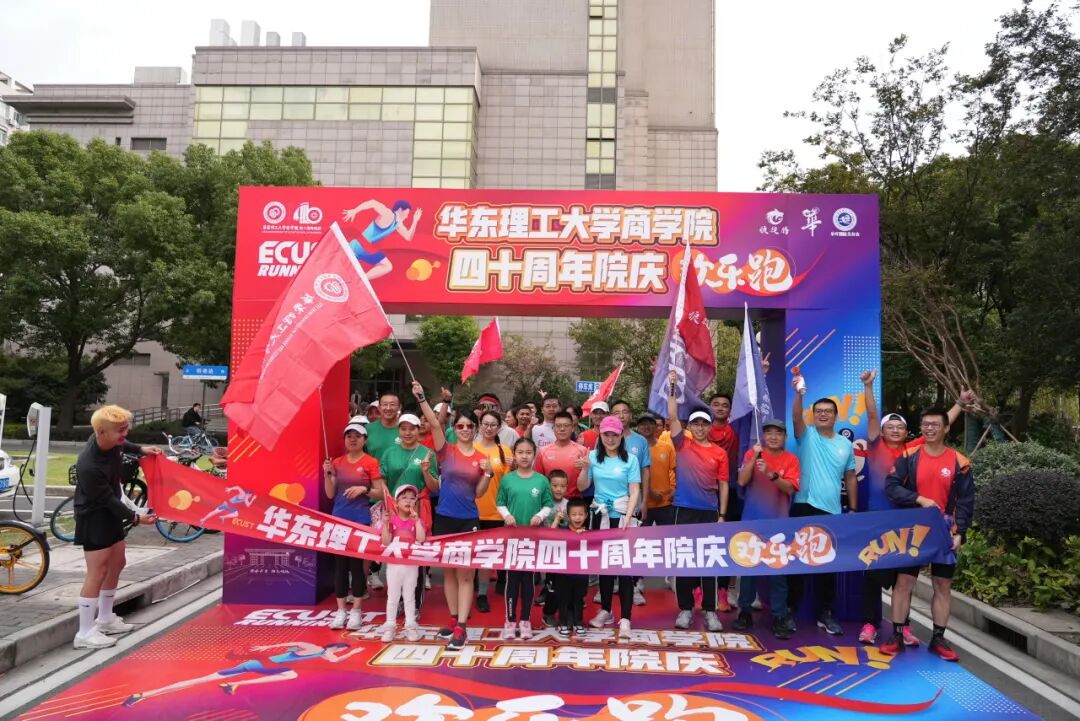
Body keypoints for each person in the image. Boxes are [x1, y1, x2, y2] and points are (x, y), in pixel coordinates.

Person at [857, 371, 973, 644]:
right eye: (890, 426)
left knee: (904, 578)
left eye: (900, 427)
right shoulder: (875, 445)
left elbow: (940, 425)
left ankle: (904, 627)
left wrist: (959, 403)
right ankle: (870, 624)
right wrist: (868, 386)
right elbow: (872, 415)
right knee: (874, 573)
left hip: (907, 520)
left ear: (907, 432)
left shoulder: (912, 450)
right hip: (879, 519)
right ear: (882, 431)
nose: (895, 430)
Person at [878, 408, 974, 662]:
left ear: (946, 428)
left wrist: (960, 533)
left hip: (945, 532)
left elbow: (966, 501)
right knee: (903, 583)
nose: (929, 428)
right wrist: (918, 499)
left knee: (942, 585)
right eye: (925, 424)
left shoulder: (960, 462)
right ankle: (896, 635)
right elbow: (891, 487)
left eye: (935, 424)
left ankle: (938, 639)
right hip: (914, 531)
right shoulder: (909, 455)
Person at [72, 405, 162, 649]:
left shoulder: (111, 441)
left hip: (110, 513)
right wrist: (136, 518)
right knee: (97, 571)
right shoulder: (89, 465)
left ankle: (105, 618)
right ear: (101, 432)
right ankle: (84, 632)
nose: (125, 434)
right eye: (120, 430)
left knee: (117, 562)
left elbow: (124, 444)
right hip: (93, 517)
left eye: (126, 428)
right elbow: (107, 500)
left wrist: (141, 449)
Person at [414, 381, 491, 650]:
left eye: (470, 426)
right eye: (460, 426)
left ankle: (462, 626)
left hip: (468, 520)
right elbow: (435, 425)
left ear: (476, 429)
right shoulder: (446, 451)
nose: (465, 429)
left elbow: (479, 493)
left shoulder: (481, 457)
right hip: (444, 517)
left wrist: (488, 473)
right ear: (454, 429)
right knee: (448, 573)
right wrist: (422, 398)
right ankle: (453, 618)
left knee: (466, 575)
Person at [788, 371, 857, 636]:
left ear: (836, 416)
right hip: (802, 506)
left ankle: (825, 613)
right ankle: (790, 611)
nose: (823, 414)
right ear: (814, 415)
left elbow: (850, 477)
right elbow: (796, 417)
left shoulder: (845, 445)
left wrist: (852, 508)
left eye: (828, 411)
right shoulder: (806, 435)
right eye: (819, 411)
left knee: (827, 567)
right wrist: (799, 394)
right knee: (796, 563)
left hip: (832, 511)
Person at [666, 372, 728, 632]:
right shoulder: (682, 445)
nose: (700, 428)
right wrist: (672, 387)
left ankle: (711, 611)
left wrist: (722, 514)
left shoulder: (719, 453)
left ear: (710, 427)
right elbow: (672, 416)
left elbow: (723, 484)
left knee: (709, 562)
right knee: (684, 561)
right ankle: (685, 609)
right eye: (696, 424)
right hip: (684, 510)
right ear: (689, 427)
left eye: (704, 424)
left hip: (709, 512)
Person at [123, 641, 363, 706]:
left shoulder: (322, 654)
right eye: (340, 649)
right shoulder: (316, 649)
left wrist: (352, 652)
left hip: (259, 664)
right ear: (334, 647)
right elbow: (294, 643)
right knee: (291, 674)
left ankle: (143, 694)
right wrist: (267, 648)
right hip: (267, 665)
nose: (338, 653)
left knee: (204, 679)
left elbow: (335, 658)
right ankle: (236, 685)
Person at [732, 419, 800, 639]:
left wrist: (771, 473)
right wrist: (754, 457)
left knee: (778, 574)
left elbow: (790, 488)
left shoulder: (791, 459)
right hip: (752, 523)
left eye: (778, 433)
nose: (773, 437)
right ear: (763, 436)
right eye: (769, 432)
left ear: (785, 437)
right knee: (748, 571)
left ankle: (779, 616)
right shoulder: (752, 454)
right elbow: (742, 481)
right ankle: (745, 611)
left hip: (779, 525)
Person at [579, 415, 640, 637]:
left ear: (621, 435)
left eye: (615, 434)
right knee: (604, 566)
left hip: (622, 515)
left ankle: (626, 617)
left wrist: (628, 517)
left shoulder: (630, 460)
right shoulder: (592, 457)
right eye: (606, 434)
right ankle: (606, 610)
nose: (611, 439)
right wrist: (584, 468)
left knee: (624, 568)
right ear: (600, 435)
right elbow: (582, 486)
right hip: (600, 515)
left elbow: (634, 490)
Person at [323, 421, 381, 630]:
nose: (353, 439)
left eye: (357, 436)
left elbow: (380, 492)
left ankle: (356, 610)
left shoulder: (371, 462)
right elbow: (330, 493)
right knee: (340, 567)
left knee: (357, 567)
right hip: (339, 519)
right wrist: (327, 474)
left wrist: (363, 489)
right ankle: (341, 611)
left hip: (360, 520)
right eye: (349, 436)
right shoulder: (337, 463)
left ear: (365, 440)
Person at [496, 437, 554, 639]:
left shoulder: (541, 480)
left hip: (532, 539)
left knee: (528, 580)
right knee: (512, 580)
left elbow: (548, 504)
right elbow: (500, 502)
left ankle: (525, 620)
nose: (524, 456)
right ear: (514, 454)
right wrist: (506, 515)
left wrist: (540, 516)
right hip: (512, 538)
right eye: (520, 452)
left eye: (528, 452)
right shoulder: (507, 479)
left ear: (534, 454)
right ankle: (510, 621)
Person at [379, 412, 440, 605]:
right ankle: (396, 601)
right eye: (403, 429)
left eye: (412, 429)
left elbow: (434, 487)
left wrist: (425, 471)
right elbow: (382, 480)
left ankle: (415, 603)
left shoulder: (427, 453)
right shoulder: (389, 453)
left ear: (418, 430)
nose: (407, 433)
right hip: (396, 510)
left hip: (418, 509)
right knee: (396, 553)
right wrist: (389, 500)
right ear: (399, 430)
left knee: (417, 554)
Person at [609, 400, 651, 606]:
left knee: (633, 544)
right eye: (616, 412)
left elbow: (645, 471)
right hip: (610, 501)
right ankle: (610, 584)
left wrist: (645, 500)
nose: (621, 415)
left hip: (634, 499)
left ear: (630, 416)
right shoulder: (606, 439)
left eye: (625, 412)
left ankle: (633, 586)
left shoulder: (640, 441)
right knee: (611, 543)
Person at [474, 410, 512, 613]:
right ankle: (467, 589)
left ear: (499, 427)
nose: (489, 428)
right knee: (470, 553)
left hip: (495, 511)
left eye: (493, 425)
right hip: (471, 510)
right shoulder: (471, 448)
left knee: (487, 556)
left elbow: (508, 484)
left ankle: (482, 593)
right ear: (480, 425)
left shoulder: (504, 451)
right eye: (485, 424)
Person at [380, 484, 427, 642]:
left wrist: (417, 521)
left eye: (412, 498)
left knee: (409, 597)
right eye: (404, 498)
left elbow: (421, 538)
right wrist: (385, 524)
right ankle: (390, 627)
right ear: (396, 502)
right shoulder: (391, 520)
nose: (408, 501)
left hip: (411, 566)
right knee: (392, 597)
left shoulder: (417, 521)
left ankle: (411, 627)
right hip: (393, 565)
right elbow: (385, 542)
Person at [707, 392, 740, 611]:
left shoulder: (736, 429)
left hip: (732, 491)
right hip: (705, 493)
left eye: (725, 405)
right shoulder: (701, 429)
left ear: (730, 410)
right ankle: (701, 589)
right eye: (716, 404)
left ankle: (724, 592)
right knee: (706, 543)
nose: (720, 408)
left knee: (729, 543)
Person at [341, 198, 423, 280]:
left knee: (387, 266)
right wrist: (355, 210)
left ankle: (361, 279)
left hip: (364, 248)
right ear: (400, 209)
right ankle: (361, 279)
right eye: (407, 213)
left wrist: (415, 221)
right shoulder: (389, 215)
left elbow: (408, 237)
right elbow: (373, 203)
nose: (407, 216)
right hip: (360, 246)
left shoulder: (397, 224)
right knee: (387, 266)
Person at [555, 497, 591, 636]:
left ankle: (578, 623)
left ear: (586, 515)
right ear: (568, 516)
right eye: (574, 514)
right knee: (563, 598)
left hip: (581, 574)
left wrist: (584, 536)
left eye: (581, 514)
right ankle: (563, 623)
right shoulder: (562, 530)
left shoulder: (590, 533)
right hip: (563, 574)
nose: (577, 517)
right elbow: (549, 535)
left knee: (578, 599)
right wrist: (557, 520)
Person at [540, 469, 570, 626]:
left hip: (565, 551)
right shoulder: (542, 505)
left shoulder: (568, 505)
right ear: (548, 486)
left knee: (566, 585)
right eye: (555, 485)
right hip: (548, 551)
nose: (559, 489)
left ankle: (567, 614)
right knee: (552, 586)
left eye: (563, 486)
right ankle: (548, 613)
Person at [535, 411, 589, 500]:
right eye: (558, 426)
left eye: (566, 425)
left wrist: (585, 468)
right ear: (553, 428)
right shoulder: (543, 452)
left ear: (572, 428)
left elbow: (584, 485)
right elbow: (538, 481)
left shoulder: (582, 451)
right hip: (550, 502)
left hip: (574, 502)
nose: (562, 429)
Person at [636, 413, 676, 528]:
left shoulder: (667, 447)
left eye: (650, 423)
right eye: (643, 424)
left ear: (656, 426)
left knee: (668, 536)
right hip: (641, 504)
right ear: (638, 428)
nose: (646, 426)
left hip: (665, 503)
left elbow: (678, 471)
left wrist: (675, 490)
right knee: (641, 537)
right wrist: (650, 492)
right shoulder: (633, 449)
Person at [366, 392, 403, 461]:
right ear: (379, 408)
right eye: (385, 404)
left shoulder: (406, 430)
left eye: (392, 404)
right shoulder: (367, 429)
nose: (388, 408)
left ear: (399, 407)